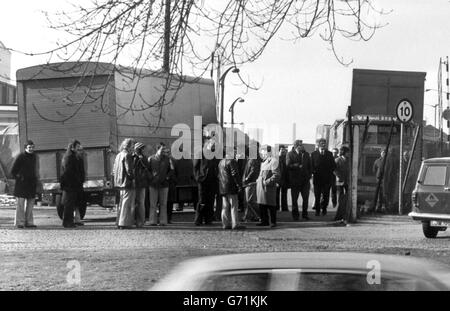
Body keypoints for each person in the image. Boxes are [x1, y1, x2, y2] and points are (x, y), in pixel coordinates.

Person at [10, 140, 39, 229]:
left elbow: (36, 169)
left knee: (30, 205)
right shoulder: (21, 156)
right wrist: (20, 177)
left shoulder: (35, 157)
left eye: (32, 147)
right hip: (21, 185)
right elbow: (13, 171)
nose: (31, 149)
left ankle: (29, 222)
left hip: (31, 184)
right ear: (25, 148)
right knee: (20, 205)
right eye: (29, 147)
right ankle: (20, 222)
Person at [193, 139, 219, 226]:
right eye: (212, 144)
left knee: (210, 201)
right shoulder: (200, 153)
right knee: (201, 200)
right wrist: (198, 177)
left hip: (212, 181)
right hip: (202, 181)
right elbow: (195, 167)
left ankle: (208, 219)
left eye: (214, 144)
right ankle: (198, 219)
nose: (214, 146)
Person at [60, 140, 86, 228]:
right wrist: (77, 180)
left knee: (73, 204)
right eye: (77, 146)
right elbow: (68, 172)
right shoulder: (68, 157)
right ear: (72, 147)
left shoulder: (75, 156)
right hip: (69, 185)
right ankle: (67, 222)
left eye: (80, 146)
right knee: (68, 205)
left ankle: (71, 221)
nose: (79, 148)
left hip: (74, 185)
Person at [218, 148, 245, 230]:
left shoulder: (221, 162)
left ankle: (225, 223)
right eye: (234, 152)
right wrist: (239, 185)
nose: (235, 153)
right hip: (231, 187)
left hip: (223, 187)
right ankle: (235, 223)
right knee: (234, 206)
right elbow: (235, 174)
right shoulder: (232, 161)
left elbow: (218, 174)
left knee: (225, 206)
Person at [286, 140, 312, 220]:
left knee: (306, 199)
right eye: (300, 145)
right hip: (295, 181)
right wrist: (296, 166)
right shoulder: (290, 154)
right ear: (296, 146)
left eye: (302, 145)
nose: (302, 146)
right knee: (294, 199)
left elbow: (310, 166)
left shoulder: (306, 154)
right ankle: (295, 215)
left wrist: (309, 176)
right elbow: (288, 165)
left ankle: (305, 214)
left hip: (305, 181)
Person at [113, 138, 135, 229]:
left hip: (119, 182)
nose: (133, 147)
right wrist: (133, 177)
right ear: (129, 146)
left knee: (121, 203)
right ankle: (124, 223)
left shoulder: (118, 155)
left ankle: (118, 222)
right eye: (133, 145)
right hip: (126, 182)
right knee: (126, 203)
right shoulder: (127, 155)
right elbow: (129, 170)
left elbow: (114, 169)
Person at [148, 143, 172, 226]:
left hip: (164, 184)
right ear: (157, 149)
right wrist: (151, 178)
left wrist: (167, 177)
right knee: (153, 204)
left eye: (164, 150)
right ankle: (152, 221)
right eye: (162, 150)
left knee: (163, 204)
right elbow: (147, 170)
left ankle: (163, 221)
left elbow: (171, 170)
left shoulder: (168, 159)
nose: (163, 151)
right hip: (153, 184)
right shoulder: (151, 159)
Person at [256, 145, 280, 228]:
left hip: (268, 187)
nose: (262, 153)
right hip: (261, 187)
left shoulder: (273, 161)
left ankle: (273, 221)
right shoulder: (264, 161)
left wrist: (267, 182)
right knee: (262, 205)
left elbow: (276, 175)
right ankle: (264, 221)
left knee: (271, 205)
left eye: (263, 151)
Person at [311, 138, 336, 216]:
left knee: (326, 195)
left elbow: (333, 165)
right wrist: (313, 172)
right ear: (318, 144)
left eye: (324, 143)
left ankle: (324, 208)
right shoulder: (313, 154)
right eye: (322, 143)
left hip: (327, 179)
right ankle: (317, 210)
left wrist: (329, 172)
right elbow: (311, 165)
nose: (323, 144)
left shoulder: (329, 154)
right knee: (317, 195)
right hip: (317, 179)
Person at [242, 145, 261, 222]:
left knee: (250, 201)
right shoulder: (251, 159)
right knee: (247, 201)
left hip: (251, 183)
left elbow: (253, 171)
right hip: (249, 182)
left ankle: (260, 215)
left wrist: (247, 179)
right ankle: (248, 216)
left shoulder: (252, 160)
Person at [132, 142, 149, 228]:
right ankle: (134, 220)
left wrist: (141, 159)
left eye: (142, 148)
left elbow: (147, 167)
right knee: (133, 202)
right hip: (133, 183)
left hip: (142, 183)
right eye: (141, 148)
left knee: (141, 203)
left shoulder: (144, 158)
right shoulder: (131, 157)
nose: (142, 150)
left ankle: (141, 221)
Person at [334, 146, 350, 222]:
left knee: (346, 198)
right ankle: (339, 214)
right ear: (344, 152)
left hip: (347, 182)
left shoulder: (349, 160)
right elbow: (334, 170)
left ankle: (344, 213)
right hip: (340, 182)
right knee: (341, 198)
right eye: (347, 152)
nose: (348, 154)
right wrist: (339, 176)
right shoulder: (337, 160)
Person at [276, 145, 289, 212]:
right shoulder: (276, 159)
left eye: (284, 150)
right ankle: (277, 207)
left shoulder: (286, 158)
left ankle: (284, 208)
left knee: (284, 194)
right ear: (279, 151)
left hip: (284, 179)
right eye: (282, 150)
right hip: (278, 179)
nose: (283, 151)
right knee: (276, 194)